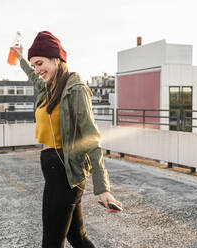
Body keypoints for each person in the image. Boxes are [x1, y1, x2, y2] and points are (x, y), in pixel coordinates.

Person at [11, 31, 122, 248]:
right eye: (34, 65)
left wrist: (102, 188)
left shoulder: (75, 89)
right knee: (77, 236)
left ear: (56, 59)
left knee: (51, 243)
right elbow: (34, 78)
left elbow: (91, 137)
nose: (37, 70)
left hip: (64, 171)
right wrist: (21, 59)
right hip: (54, 169)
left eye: (40, 63)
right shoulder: (50, 87)